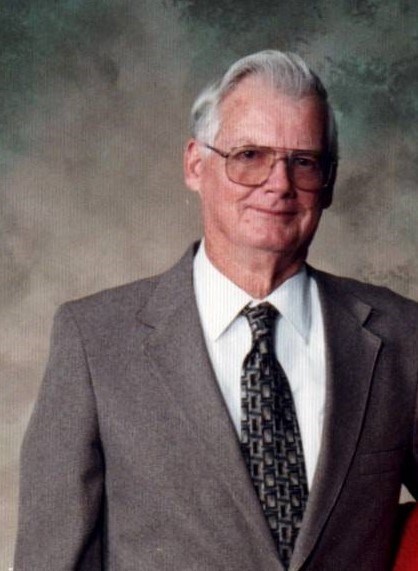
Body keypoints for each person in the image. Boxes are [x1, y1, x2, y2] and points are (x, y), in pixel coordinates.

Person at [14, 50, 418, 570]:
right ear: (195, 164)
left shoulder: (401, 335)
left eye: (304, 161)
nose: (279, 184)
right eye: (249, 155)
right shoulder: (94, 341)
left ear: (330, 181)